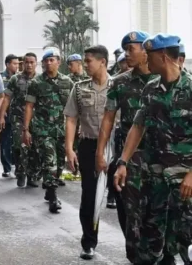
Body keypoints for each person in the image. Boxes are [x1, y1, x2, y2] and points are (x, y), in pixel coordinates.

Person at [114, 34, 192, 265]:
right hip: (155, 178)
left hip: (185, 183)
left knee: (184, 239)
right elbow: (137, 127)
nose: (146, 60)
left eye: (149, 56)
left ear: (163, 56)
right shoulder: (151, 89)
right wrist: (123, 162)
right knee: (152, 239)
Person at [96, 31, 157, 263]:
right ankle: (135, 255)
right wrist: (100, 152)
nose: (127, 54)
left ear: (145, 49)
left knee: (159, 213)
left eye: (131, 48)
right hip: (129, 158)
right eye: (124, 49)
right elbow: (108, 118)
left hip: (162, 157)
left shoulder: (163, 79)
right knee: (130, 212)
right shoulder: (120, 82)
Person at [64, 45, 112, 260]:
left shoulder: (118, 86)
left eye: (89, 60)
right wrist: (69, 149)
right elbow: (72, 119)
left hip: (115, 147)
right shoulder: (80, 87)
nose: (85, 64)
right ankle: (88, 242)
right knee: (89, 195)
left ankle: (135, 245)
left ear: (102, 61)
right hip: (88, 146)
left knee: (123, 197)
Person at [23, 47, 73, 213]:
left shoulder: (68, 82)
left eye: (52, 60)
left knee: (59, 164)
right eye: (46, 61)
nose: (49, 63)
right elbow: (29, 106)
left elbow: (74, 109)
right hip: (42, 129)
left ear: (59, 62)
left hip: (61, 129)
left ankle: (50, 188)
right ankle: (53, 196)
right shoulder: (36, 83)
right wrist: (26, 129)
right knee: (49, 161)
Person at [0, 52, 38, 188]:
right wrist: (1, 115)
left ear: (36, 64)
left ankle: (32, 175)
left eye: (32, 62)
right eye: (26, 62)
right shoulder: (16, 79)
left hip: (36, 119)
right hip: (18, 118)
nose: (29, 65)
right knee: (20, 146)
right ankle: (21, 172)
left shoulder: (40, 80)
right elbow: (7, 97)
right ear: (23, 64)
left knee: (34, 147)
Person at [0, 54, 19, 177]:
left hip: (18, 115)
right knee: (5, 142)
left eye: (18, 64)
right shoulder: (0, 78)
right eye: (14, 63)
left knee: (17, 142)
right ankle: (7, 168)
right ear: (7, 64)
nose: (16, 66)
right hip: (5, 115)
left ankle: (18, 167)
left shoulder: (19, 78)